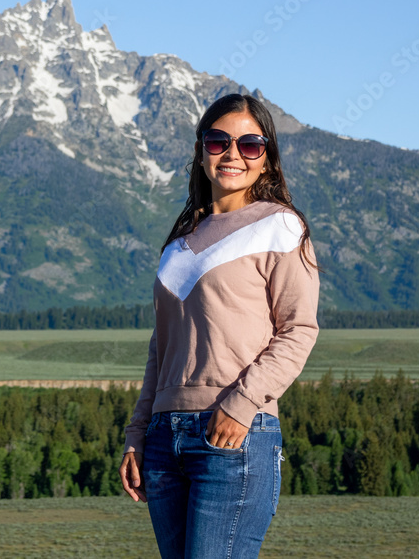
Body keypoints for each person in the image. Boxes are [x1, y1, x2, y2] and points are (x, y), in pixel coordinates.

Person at [118, 93, 321, 558]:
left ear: (266, 159)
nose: (232, 153)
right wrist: (138, 433)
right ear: (200, 151)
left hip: (232, 433)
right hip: (164, 440)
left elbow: (299, 329)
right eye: (218, 141)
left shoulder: (282, 227)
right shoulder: (179, 242)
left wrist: (243, 402)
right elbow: (161, 348)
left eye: (250, 144)